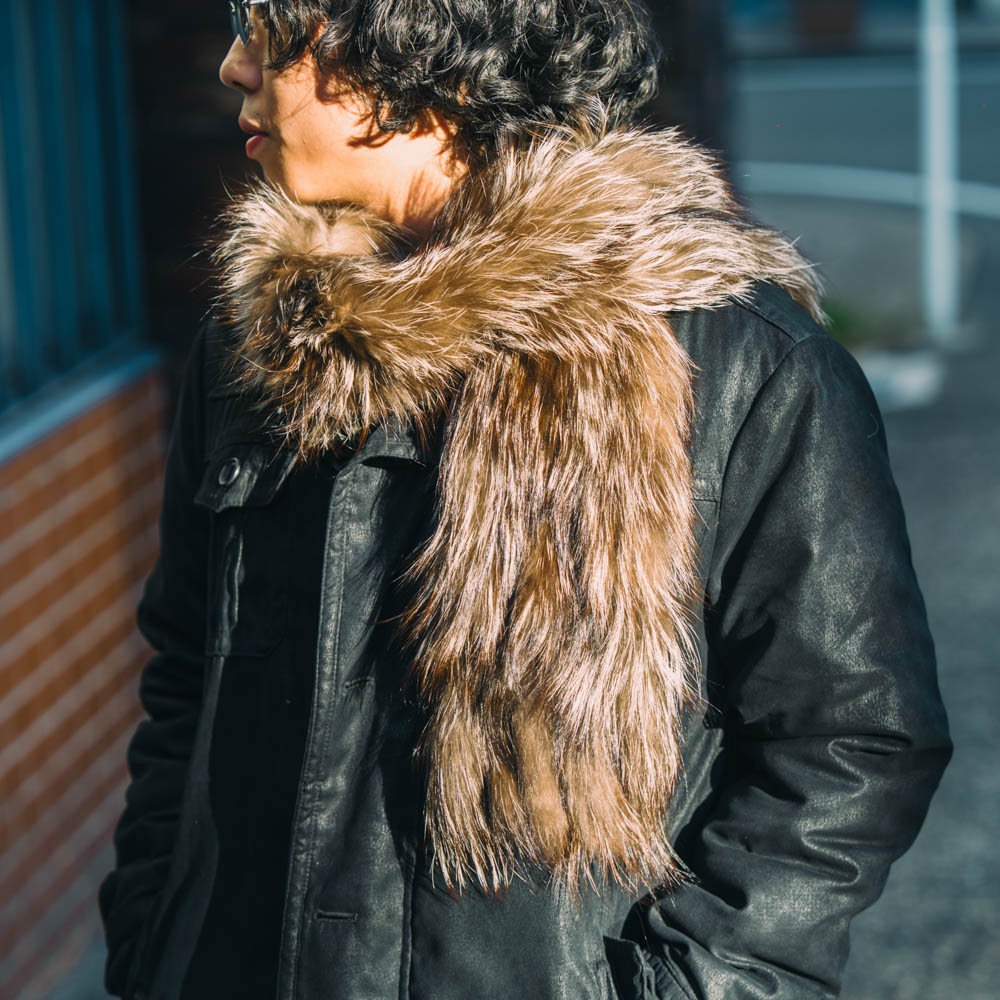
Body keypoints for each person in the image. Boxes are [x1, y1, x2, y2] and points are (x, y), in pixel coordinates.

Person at [98, 1, 953, 998]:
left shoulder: (731, 361)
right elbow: (187, 670)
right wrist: (152, 935)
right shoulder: (266, 348)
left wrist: (699, 984)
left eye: (268, 26)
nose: (233, 67)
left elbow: (850, 735)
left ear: (421, 45)